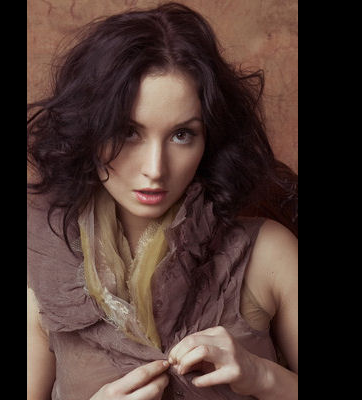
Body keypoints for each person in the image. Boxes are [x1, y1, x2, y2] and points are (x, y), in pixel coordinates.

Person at [27, 2, 298, 399]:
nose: (155, 168)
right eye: (128, 132)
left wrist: (263, 376)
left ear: (210, 138)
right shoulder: (43, 257)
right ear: (89, 130)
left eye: (181, 135)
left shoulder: (268, 253)